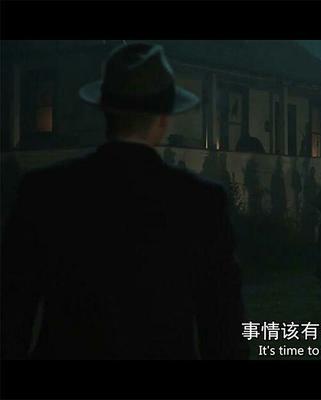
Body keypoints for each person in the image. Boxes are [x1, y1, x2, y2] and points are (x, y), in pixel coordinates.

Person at [1, 43, 248, 360]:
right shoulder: (201, 204)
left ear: (105, 110)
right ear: (163, 119)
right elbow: (224, 333)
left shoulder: (43, 192)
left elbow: (11, 316)